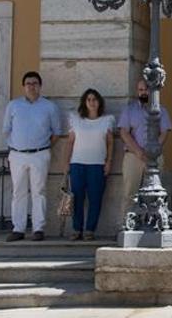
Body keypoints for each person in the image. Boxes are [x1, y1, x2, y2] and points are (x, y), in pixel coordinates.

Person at [4, 71, 63, 242]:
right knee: (18, 192)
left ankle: (38, 228)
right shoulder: (13, 106)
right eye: (28, 83)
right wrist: (17, 146)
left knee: (39, 191)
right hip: (17, 154)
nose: (32, 86)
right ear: (23, 86)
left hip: (40, 154)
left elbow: (57, 132)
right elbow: (6, 130)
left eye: (35, 83)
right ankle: (18, 228)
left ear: (40, 86)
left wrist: (42, 147)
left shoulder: (49, 107)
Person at [118, 78, 172, 219]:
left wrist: (153, 152)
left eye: (146, 90)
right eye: (141, 90)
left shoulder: (162, 110)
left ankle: (153, 224)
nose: (143, 93)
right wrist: (138, 151)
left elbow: (164, 132)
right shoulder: (129, 110)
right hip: (133, 157)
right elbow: (124, 133)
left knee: (155, 193)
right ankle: (125, 225)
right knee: (130, 192)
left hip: (154, 158)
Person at [64, 88, 114, 241]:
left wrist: (108, 162)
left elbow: (110, 143)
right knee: (77, 198)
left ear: (99, 102)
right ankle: (76, 229)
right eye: (88, 99)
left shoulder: (107, 120)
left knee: (95, 198)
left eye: (94, 99)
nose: (92, 102)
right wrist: (66, 163)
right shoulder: (76, 120)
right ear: (84, 103)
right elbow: (70, 142)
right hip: (77, 164)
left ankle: (90, 230)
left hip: (97, 165)